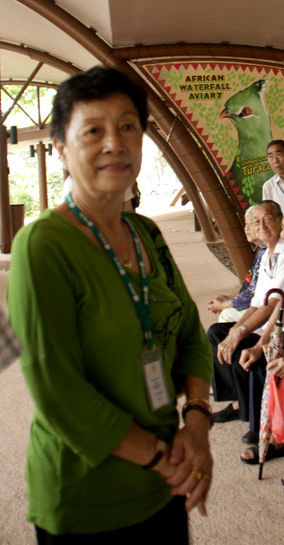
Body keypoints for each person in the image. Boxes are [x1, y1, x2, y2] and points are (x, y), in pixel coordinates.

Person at [7, 66, 213, 542]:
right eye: (93, 130)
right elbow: (56, 389)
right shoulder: (43, 245)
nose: (113, 143)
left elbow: (189, 336)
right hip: (88, 496)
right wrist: (166, 461)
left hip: (165, 485)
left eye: (127, 126)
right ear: (60, 147)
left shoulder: (148, 235)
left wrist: (198, 424)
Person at [207, 200, 284, 426]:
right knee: (218, 333)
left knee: (244, 349)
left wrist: (242, 332)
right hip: (269, 324)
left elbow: (272, 305)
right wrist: (237, 329)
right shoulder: (267, 253)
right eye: (256, 221)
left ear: (280, 221)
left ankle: (253, 417)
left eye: (267, 219)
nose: (261, 226)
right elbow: (257, 303)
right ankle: (238, 399)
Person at [239, 202, 284, 485]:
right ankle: (273, 437)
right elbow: (283, 309)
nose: (282, 237)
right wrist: (259, 345)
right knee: (261, 362)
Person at [206, 206, 266, 323]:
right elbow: (252, 288)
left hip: (264, 309)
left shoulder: (268, 252)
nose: (246, 229)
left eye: (251, 224)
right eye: (245, 225)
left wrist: (224, 304)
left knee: (227, 315)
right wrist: (229, 297)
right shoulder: (262, 251)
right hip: (257, 304)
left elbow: (253, 294)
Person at [262, 139, 284, 212]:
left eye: (279, 155)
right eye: (271, 157)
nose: (275, 161)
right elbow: (269, 213)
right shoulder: (268, 187)